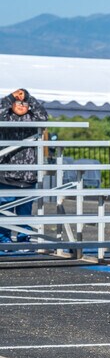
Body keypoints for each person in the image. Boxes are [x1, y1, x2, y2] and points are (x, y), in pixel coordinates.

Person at [0, 89, 48, 246]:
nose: (21, 105)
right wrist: (10, 97)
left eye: (24, 103)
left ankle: (23, 239)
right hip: (6, 175)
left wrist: (29, 97)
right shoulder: (5, 116)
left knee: (24, 212)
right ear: (12, 104)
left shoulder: (32, 118)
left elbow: (44, 116)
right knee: (4, 211)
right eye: (18, 102)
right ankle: (4, 240)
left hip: (27, 176)